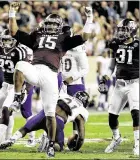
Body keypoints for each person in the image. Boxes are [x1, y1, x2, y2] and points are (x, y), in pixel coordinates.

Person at [8, 2, 93, 157]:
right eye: (49, 24)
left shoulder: (64, 39)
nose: (52, 27)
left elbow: (85, 36)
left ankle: (51, 145)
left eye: (55, 25)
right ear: (44, 25)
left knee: (50, 113)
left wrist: (89, 18)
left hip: (51, 75)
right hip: (35, 69)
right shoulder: (36, 36)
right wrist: (12, 13)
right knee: (20, 65)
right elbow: (14, 32)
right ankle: (16, 97)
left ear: (60, 27)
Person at [0, 29, 33, 150]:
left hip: (17, 86)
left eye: (8, 39)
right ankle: (2, 141)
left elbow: (27, 72)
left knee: (6, 108)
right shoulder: (0, 50)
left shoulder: (21, 51)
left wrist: (25, 89)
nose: (6, 42)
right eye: (4, 39)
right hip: (5, 85)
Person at [98, 18, 139, 156]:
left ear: (132, 31)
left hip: (134, 83)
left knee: (136, 113)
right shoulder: (116, 44)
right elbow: (112, 64)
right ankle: (117, 138)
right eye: (120, 29)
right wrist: (106, 76)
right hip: (119, 84)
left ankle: (137, 144)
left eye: (124, 30)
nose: (121, 33)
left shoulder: (138, 45)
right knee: (112, 116)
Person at [0, 91, 89, 152]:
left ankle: (12, 139)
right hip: (58, 121)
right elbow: (81, 137)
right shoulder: (82, 110)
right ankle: (49, 142)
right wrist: (76, 148)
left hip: (44, 113)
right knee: (59, 147)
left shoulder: (64, 95)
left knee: (25, 128)